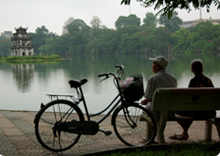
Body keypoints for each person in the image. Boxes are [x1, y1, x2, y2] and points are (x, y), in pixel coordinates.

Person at [169, 59, 216, 140]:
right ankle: (184, 133)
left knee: (176, 111)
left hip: (197, 112)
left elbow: (190, 98)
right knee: (190, 109)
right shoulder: (208, 80)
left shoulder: (193, 81)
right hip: (210, 112)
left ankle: (185, 133)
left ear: (192, 70)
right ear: (202, 69)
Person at [140, 55, 177, 120]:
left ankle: (152, 129)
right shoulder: (173, 78)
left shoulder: (153, 79)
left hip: (157, 111)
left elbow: (148, 98)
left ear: (157, 67)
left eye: (153, 64)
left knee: (147, 109)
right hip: (170, 111)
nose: (152, 66)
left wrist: (143, 102)